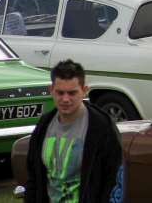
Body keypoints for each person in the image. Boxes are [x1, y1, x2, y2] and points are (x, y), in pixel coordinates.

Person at [25, 60, 123, 203]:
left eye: (72, 93)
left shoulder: (101, 127)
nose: (65, 99)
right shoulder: (44, 125)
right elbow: (33, 177)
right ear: (51, 90)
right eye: (60, 93)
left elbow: (114, 181)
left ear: (84, 90)